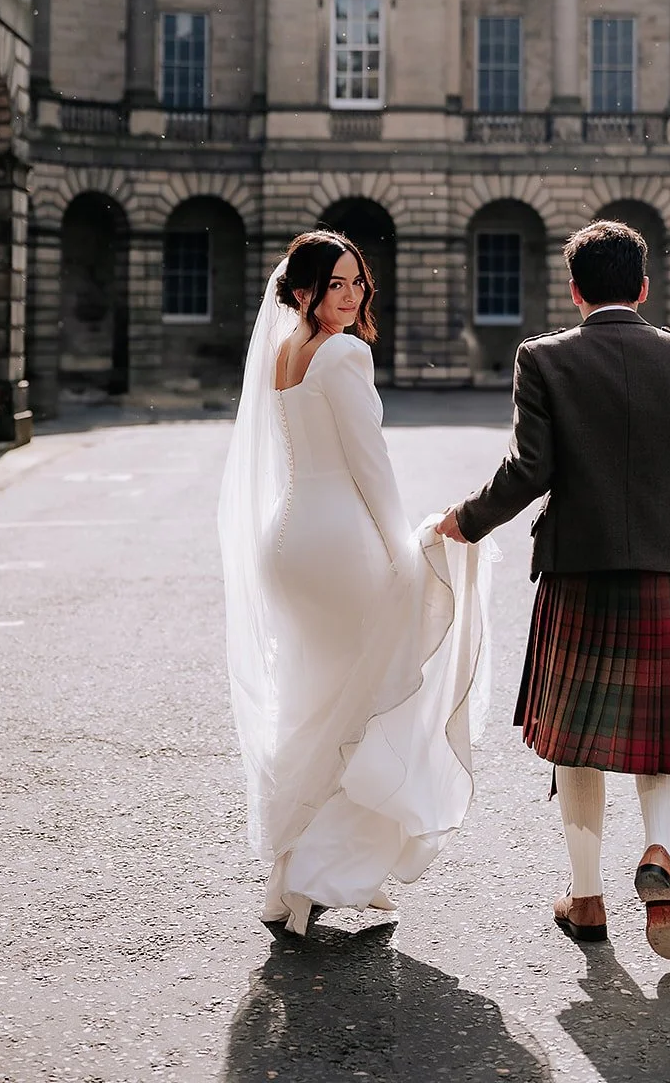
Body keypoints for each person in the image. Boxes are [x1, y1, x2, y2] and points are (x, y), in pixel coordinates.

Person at [437, 220, 670, 961]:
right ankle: (659, 851)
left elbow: (527, 470)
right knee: (662, 737)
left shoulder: (543, 358)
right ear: (643, 287)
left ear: (574, 291)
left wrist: (465, 521)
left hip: (576, 571)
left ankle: (586, 898)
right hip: (666, 572)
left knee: (574, 742)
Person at [219, 230, 492, 938]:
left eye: (355, 283)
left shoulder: (284, 353)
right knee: (364, 708)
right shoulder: (344, 353)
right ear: (302, 289)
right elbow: (370, 465)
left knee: (316, 706)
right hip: (341, 544)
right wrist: (404, 550)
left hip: (288, 541)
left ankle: (305, 874)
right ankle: (319, 874)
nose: (349, 296)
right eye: (334, 283)